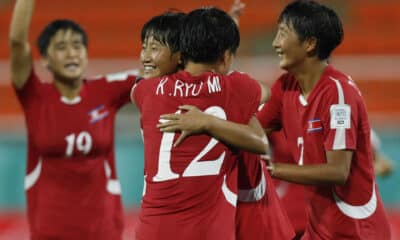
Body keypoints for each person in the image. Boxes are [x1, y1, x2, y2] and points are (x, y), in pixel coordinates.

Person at [255, 1, 391, 239]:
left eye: (283, 34)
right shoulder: (285, 87)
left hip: (355, 232)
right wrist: (212, 114)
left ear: (310, 44)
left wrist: (274, 170)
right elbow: (253, 130)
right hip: (319, 229)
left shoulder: (338, 94)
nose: (275, 43)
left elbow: (338, 171)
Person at [131, 7, 269, 240]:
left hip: (152, 230)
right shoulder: (233, 87)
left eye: (155, 48)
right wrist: (208, 122)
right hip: (207, 231)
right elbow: (264, 98)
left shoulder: (145, 91)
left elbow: (146, 80)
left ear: (181, 53)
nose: (146, 56)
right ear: (225, 56)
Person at [9, 0, 142, 239]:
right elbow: (17, 43)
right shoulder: (35, 95)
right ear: (46, 59)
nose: (72, 53)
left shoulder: (106, 89)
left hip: (104, 231)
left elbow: (156, 80)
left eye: (78, 45)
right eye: (60, 46)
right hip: (49, 232)